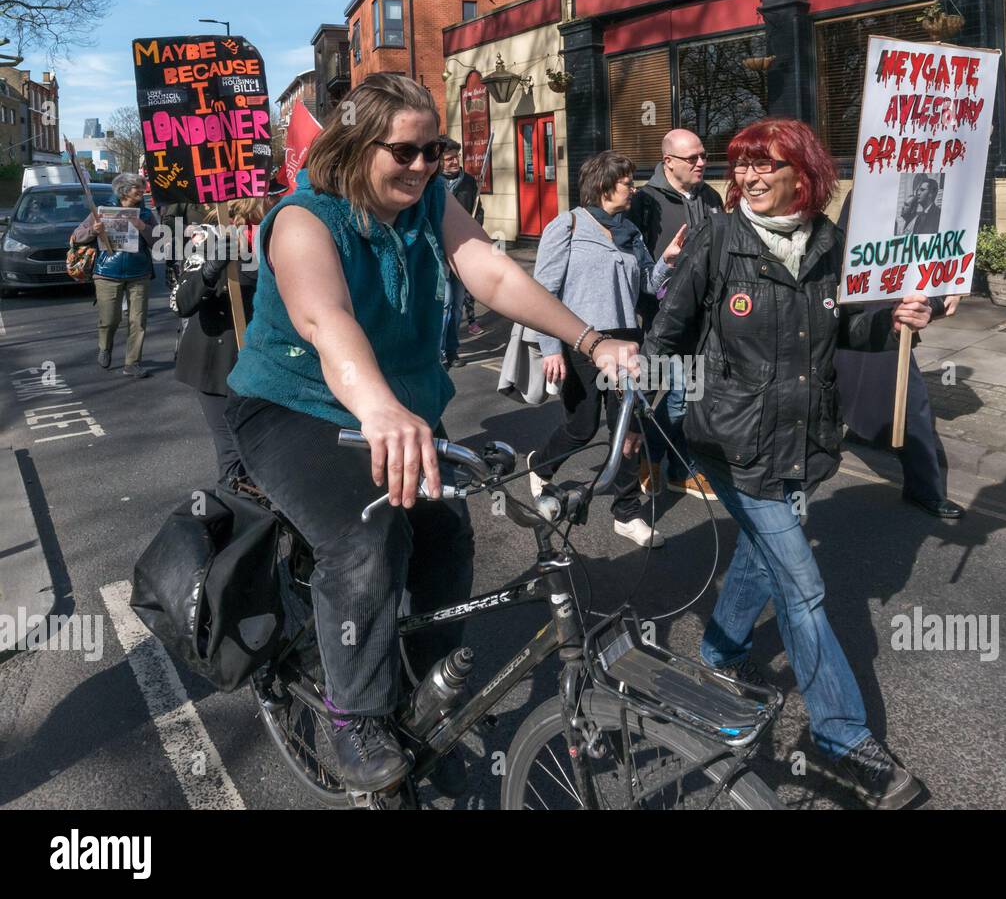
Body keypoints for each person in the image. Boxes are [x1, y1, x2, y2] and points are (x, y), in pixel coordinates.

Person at [223, 73, 639, 796]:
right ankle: (355, 715)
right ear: (354, 146)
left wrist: (590, 339)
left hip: (401, 406)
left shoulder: (431, 204)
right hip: (298, 405)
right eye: (406, 151)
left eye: (435, 150)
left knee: (447, 534)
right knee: (366, 538)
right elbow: (327, 321)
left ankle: (432, 696)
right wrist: (378, 406)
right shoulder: (302, 219)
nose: (424, 166)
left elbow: (493, 276)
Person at [643, 118, 933, 809]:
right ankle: (840, 737)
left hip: (801, 441)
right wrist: (657, 412)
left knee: (761, 551)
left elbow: (841, 325)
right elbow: (669, 328)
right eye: (739, 165)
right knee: (801, 586)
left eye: (761, 164)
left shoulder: (829, 244)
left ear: (803, 170)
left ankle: (718, 650)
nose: (745, 176)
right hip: (727, 440)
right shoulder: (719, 236)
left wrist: (897, 319)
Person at [528, 151, 681, 549]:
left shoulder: (630, 231)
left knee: (628, 429)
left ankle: (627, 514)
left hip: (626, 340)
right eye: (627, 181)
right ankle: (540, 463)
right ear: (603, 185)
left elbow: (649, 282)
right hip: (580, 337)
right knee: (581, 428)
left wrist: (666, 261)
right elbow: (543, 293)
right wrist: (551, 349)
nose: (633, 187)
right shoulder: (568, 225)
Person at [836, 195, 963, 519]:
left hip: (896, 316)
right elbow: (841, 253)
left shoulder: (943, 199)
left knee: (912, 405)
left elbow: (944, 254)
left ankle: (925, 490)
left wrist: (945, 289)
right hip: (854, 313)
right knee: (827, 392)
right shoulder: (867, 193)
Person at [628, 128, 723, 500]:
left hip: (706, 315)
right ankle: (664, 464)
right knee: (676, 395)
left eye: (703, 156)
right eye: (692, 158)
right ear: (668, 161)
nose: (702, 163)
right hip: (665, 315)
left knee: (692, 395)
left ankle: (673, 464)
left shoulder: (711, 197)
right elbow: (633, 262)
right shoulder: (645, 202)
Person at [173, 197, 262, 483]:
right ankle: (242, 519)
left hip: (264, 365)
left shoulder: (278, 235)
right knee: (234, 457)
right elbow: (182, 303)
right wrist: (210, 270)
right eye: (272, 192)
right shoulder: (209, 238)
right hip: (218, 365)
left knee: (264, 452)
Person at [73, 173, 160, 378]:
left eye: (142, 186)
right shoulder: (102, 212)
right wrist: (94, 231)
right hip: (106, 272)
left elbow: (159, 243)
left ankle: (132, 363)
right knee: (110, 319)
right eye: (137, 187)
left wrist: (143, 227)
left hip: (139, 273)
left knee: (138, 321)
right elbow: (77, 236)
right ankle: (105, 347)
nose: (141, 190)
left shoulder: (146, 215)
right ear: (123, 190)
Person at [438, 137, 485, 365]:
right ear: (439, 162)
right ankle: (439, 353)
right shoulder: (433, 184)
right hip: (440, 254)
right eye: (448, 159)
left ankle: (452, 350)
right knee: (445, 304)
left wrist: (475, 224)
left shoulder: (468, 182)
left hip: (463, 252)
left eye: (456, 157)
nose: (453, 162)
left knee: (457, 305)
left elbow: (479, 211)